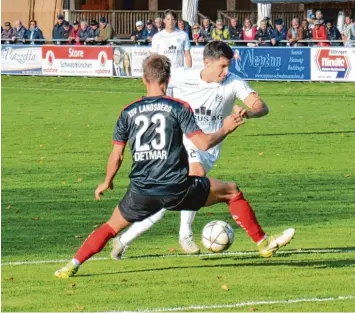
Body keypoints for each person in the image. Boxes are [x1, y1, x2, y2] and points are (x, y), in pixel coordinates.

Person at [54, 53, 252, 278]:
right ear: (167, 80)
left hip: (140, 191)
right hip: (176, 187)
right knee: (231, 191)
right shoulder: (178, 107)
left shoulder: (127, 111)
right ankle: (262, 242)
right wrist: (226, 128)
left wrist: (106, 182)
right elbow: (203, 143)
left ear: (143, 79)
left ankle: (72, 264)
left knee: (110, 227)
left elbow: (116, 155)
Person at [110, 41, 295, 257]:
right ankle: (185, 234)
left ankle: (123, 240)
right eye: (223, 66)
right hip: (181, 143)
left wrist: (248, 112)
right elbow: (155, 88)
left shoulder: (234, 84)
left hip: (210, 148)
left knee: (169, 196)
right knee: (192, 176)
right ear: (207, 62)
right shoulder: (181, 76)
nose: (227, 72)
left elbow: (262, 107)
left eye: (229, 66)